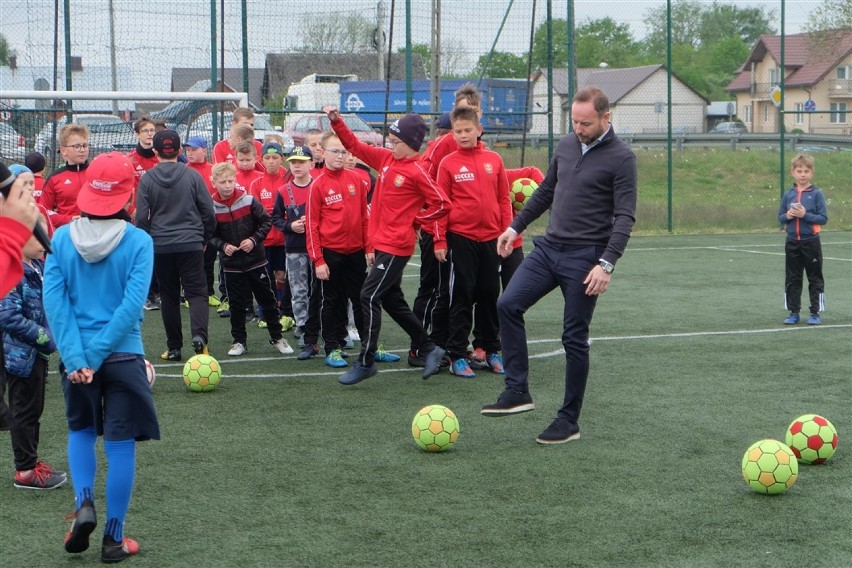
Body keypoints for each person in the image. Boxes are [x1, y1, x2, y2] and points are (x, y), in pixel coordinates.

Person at [480, 86, 637, 446]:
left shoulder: (622, 158)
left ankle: (568, 420)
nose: (578, 129)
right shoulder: (567, 145)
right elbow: (546, 191)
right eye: (575, 122)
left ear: (605, 118)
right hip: (549, 249)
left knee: (573, 338)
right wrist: (514, 227)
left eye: (586, 123)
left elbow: (626, 216)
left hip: (586, 258)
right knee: (508, 304)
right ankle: (517, 390)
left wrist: (607, 264)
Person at [43, 151, 159, 563]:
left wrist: (77, 359)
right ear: (129, 193)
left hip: (78, 362)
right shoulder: (140, 241)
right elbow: (131, 307)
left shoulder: (59, 239)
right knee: (121, 444)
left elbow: (55, 306)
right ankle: (114, 540)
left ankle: (84, 503)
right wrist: (93, 355)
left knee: (80, 433)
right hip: (124, 356)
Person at [326, 107, 450, 385]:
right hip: (382, 245)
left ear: (412, 144)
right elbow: (354, 146)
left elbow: (443, 203)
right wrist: (337, 121)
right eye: (391, 140)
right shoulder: (384, 160)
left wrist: (416, 220)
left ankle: (366, 360)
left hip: (397, 246)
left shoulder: (418, 171)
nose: (391, 145)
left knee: (368, 296)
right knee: (393, 301)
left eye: (396, 142)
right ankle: (430, 347)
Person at [436, 106, 512, 378]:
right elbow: (441, 205)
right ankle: (457, 353)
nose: (463, 135)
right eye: (458, 131)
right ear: (452, 134)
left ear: (479, 131)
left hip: (492, 239)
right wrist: (439, 240)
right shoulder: (448, 164)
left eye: (468, 130)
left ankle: (491, 350)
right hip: (461, 239)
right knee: (462, 296)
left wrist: (507, 233)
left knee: (490, 295)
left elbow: (504, 198)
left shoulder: (494, 159)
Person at [1, 198, 67, 491]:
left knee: (33, 409)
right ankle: (25, 471)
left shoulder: (37, 265)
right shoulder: (12, 271)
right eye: (38, 237)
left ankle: (31, 462)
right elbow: (9, 316)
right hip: (20, 355)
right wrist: (44, 337)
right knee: (23, 412)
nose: (45, 242)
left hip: (35, 354)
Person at [135, 130, 216, 361]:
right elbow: (208, 212)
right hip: (190, 243)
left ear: (155, 151)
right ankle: (199, 338)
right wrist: (204, 238)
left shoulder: (147, 178)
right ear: (180, 151)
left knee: (169, 296)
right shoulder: (192, 176)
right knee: (197, 294)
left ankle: (174, 348)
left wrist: (148, 242)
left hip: (161, 246)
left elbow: (141, 218)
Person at [208, 162, 293, 357]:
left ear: (235, 180)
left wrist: (253, 240)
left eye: (230, 180)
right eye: (223, 182)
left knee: (268, 300)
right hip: (231, 266)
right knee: (237, 305)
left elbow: (266, 221)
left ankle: (277, 338)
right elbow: (209, 235)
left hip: (257, 261)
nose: (227, 185)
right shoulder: (211, 207)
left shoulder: (248, 200)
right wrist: (223, 246)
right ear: (214, 182)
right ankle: (239, 341)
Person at [306, 132, 375, 369]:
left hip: (355, 252)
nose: (340, 155)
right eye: (335, 151)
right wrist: (318, 260)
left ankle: (370, 346)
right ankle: (332, 347)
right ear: (323, 153)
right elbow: (312, 225)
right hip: (330, 253)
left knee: (361, 300)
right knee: (331, 302)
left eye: (344, 151)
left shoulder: (357, 180)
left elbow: (364, 219)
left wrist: (369, 247)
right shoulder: (317, 185)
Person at [272, 146, 321, 359]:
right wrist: (291, 226)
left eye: (301, 161)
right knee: (299, 290)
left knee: (319, 291)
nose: (297, 166)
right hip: (294, 248)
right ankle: (302, 326)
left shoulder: (318, 186)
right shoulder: (283, 191)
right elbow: (275, 218)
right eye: (293, 162)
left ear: (311, 163)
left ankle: (319, 327)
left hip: (318, 247)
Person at [778, 154, 828, 326]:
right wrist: (788, 215)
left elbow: (823, 218)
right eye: (799, 171)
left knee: (814, 277)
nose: (803, 174)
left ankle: (815, 313)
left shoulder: (816, 194)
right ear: (793, 172)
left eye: (806, 171)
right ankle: (794, 312)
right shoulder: (788, 194)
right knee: (792, 277)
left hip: (811, 242)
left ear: (811, 173)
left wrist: (805, 215)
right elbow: (781, 217)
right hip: (792, 242)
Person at [249, 142, 289, 328]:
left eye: (275, 158)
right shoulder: (256, 184)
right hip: (264, 240)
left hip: (283, 239)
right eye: (267, 158)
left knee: (281, 275)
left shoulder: (288, 180)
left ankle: (281, 308)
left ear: (282, 158)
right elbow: (254, 212)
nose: (271, 162)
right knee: (265, 276)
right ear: (261, 160)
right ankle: (264, 310)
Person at [39, 123, 90, 227]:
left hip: (96, 233)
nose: (82, 149)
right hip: (67, 233)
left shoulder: (97, 173)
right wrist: (70, 219)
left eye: (85, 145)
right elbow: (43, 211)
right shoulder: (55, 178)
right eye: (76, 146)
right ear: (63, 150)